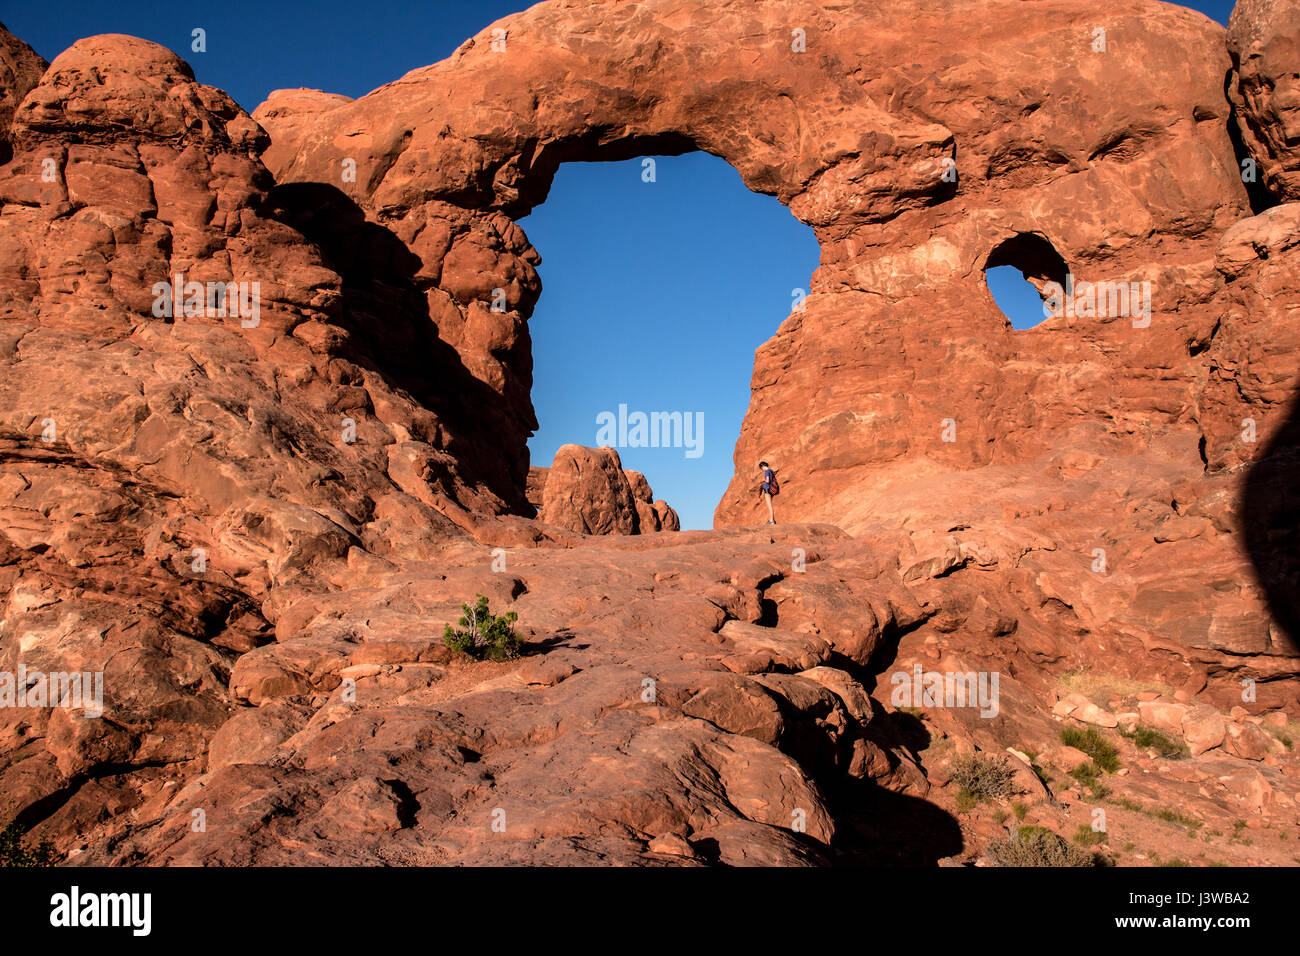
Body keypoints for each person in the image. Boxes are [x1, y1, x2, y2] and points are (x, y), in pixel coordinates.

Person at [757, 460, 778, 524]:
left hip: (767, 489)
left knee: (769, 506)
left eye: (761, 468)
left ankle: (771, 520)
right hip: (770, 489)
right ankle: (771, 520)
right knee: (770, 505)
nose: (762, 470)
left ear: (762, 466)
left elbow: (767, 480)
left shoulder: (766, 472)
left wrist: (763, 480)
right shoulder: (771, 471)